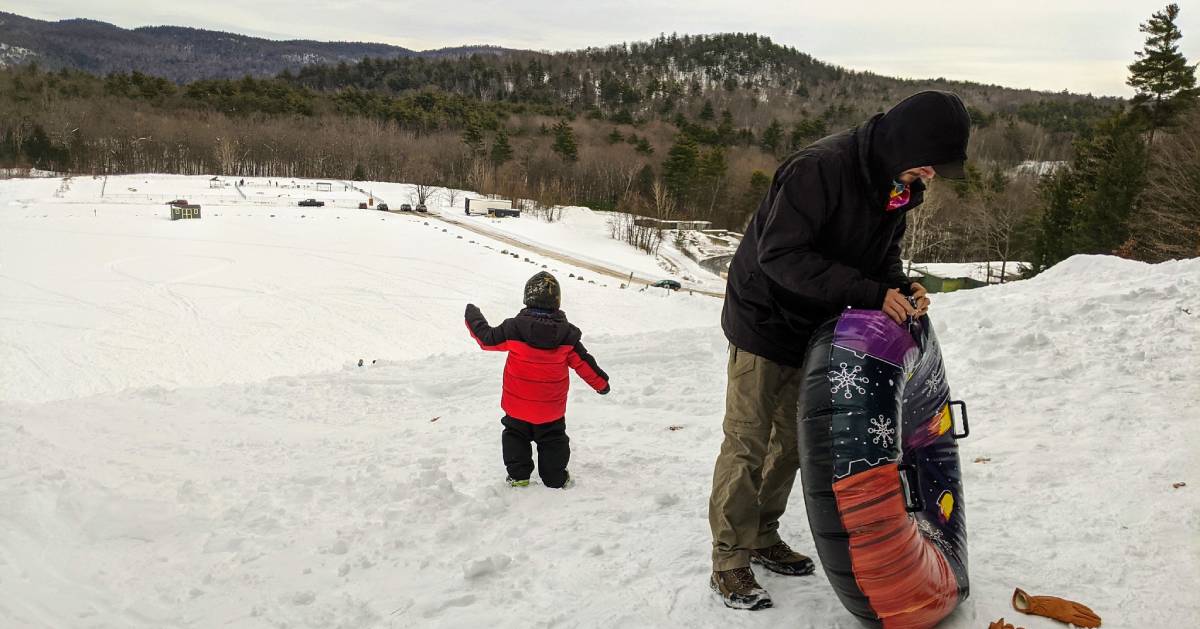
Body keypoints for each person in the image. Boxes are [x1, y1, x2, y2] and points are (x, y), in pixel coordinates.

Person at [708, 91, 971, 610]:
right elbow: (780, 255)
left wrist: (900, 285)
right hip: (765, 318)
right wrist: (872, 294)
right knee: (749, 440)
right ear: (905, 143)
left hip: (819, 325)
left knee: (794, 444)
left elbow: (882, 254)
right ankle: (730, 559)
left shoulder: (898, 184)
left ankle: (762, 535)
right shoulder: (819, 169)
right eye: (931, 164)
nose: (933, 177)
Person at [465, 271, 610, 489]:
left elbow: (486, 339)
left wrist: (472, 315)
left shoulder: (513, 329)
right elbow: (584, 364)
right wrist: (602, 385)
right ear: (557, 301)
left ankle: (519, 477)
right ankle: (555, 479)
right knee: (553, 442)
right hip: (550, 412)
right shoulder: (567, 336)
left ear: (527, 298)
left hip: (517, 408)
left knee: (514, 438)